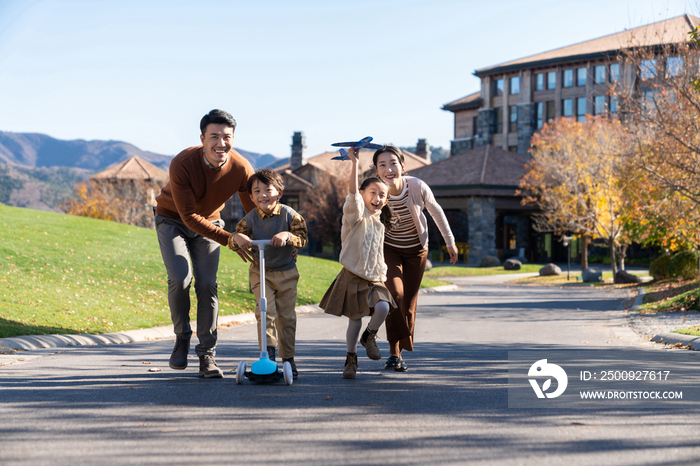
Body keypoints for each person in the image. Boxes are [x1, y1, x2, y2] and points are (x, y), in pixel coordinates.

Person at [154, 109, 257, 378]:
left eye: (227, 137)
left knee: (207, 284)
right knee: (180, 277)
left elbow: (253, 213)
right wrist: (230, 239)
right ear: (202, 138)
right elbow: (188, 216)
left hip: (209, 224)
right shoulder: (183, 163)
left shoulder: (242, 168)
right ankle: (182, 338)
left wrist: (263, 239)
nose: (221, 143)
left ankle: (207, 355)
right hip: (172, 220)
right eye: (214, 136)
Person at [373, 145, 458, 372]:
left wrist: (449, 241)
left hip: (416, 251)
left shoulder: (417, 186)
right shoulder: (377, 192)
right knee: (394, 295)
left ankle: (399, 353)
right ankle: (393, 352)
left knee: (408, 302)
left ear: (402, 165)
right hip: (389, 250)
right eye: (382, 165)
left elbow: (436, 211)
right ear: (376, 170)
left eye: (393, 163)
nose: (388, 169)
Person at [319, 147, 397, 379]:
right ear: (363, 194)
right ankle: (350, 358)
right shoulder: (355, 217)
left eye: (382, 195)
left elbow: (377, 254)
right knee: (354, 320)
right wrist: (355, 163)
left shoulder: (379, 224)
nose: (378, 198)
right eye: (373, 192)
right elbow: (352, 195)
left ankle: (369, 336)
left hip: (375, 278)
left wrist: (382, 274)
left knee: (383, 307)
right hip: (353, 275)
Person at [229, 169, 307, 379]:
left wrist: (287, 236)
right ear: (252, 197)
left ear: (279, 193)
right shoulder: (250, 219)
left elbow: (302, 238)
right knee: (265, 312)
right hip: (260, 272)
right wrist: (237, 238)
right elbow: (234, 239)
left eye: (267, 189)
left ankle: (288, 358)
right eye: (257, 191)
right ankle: (268, 355)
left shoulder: (290, 215)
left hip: (286, 273)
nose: (263, 194)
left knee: (286, 317)